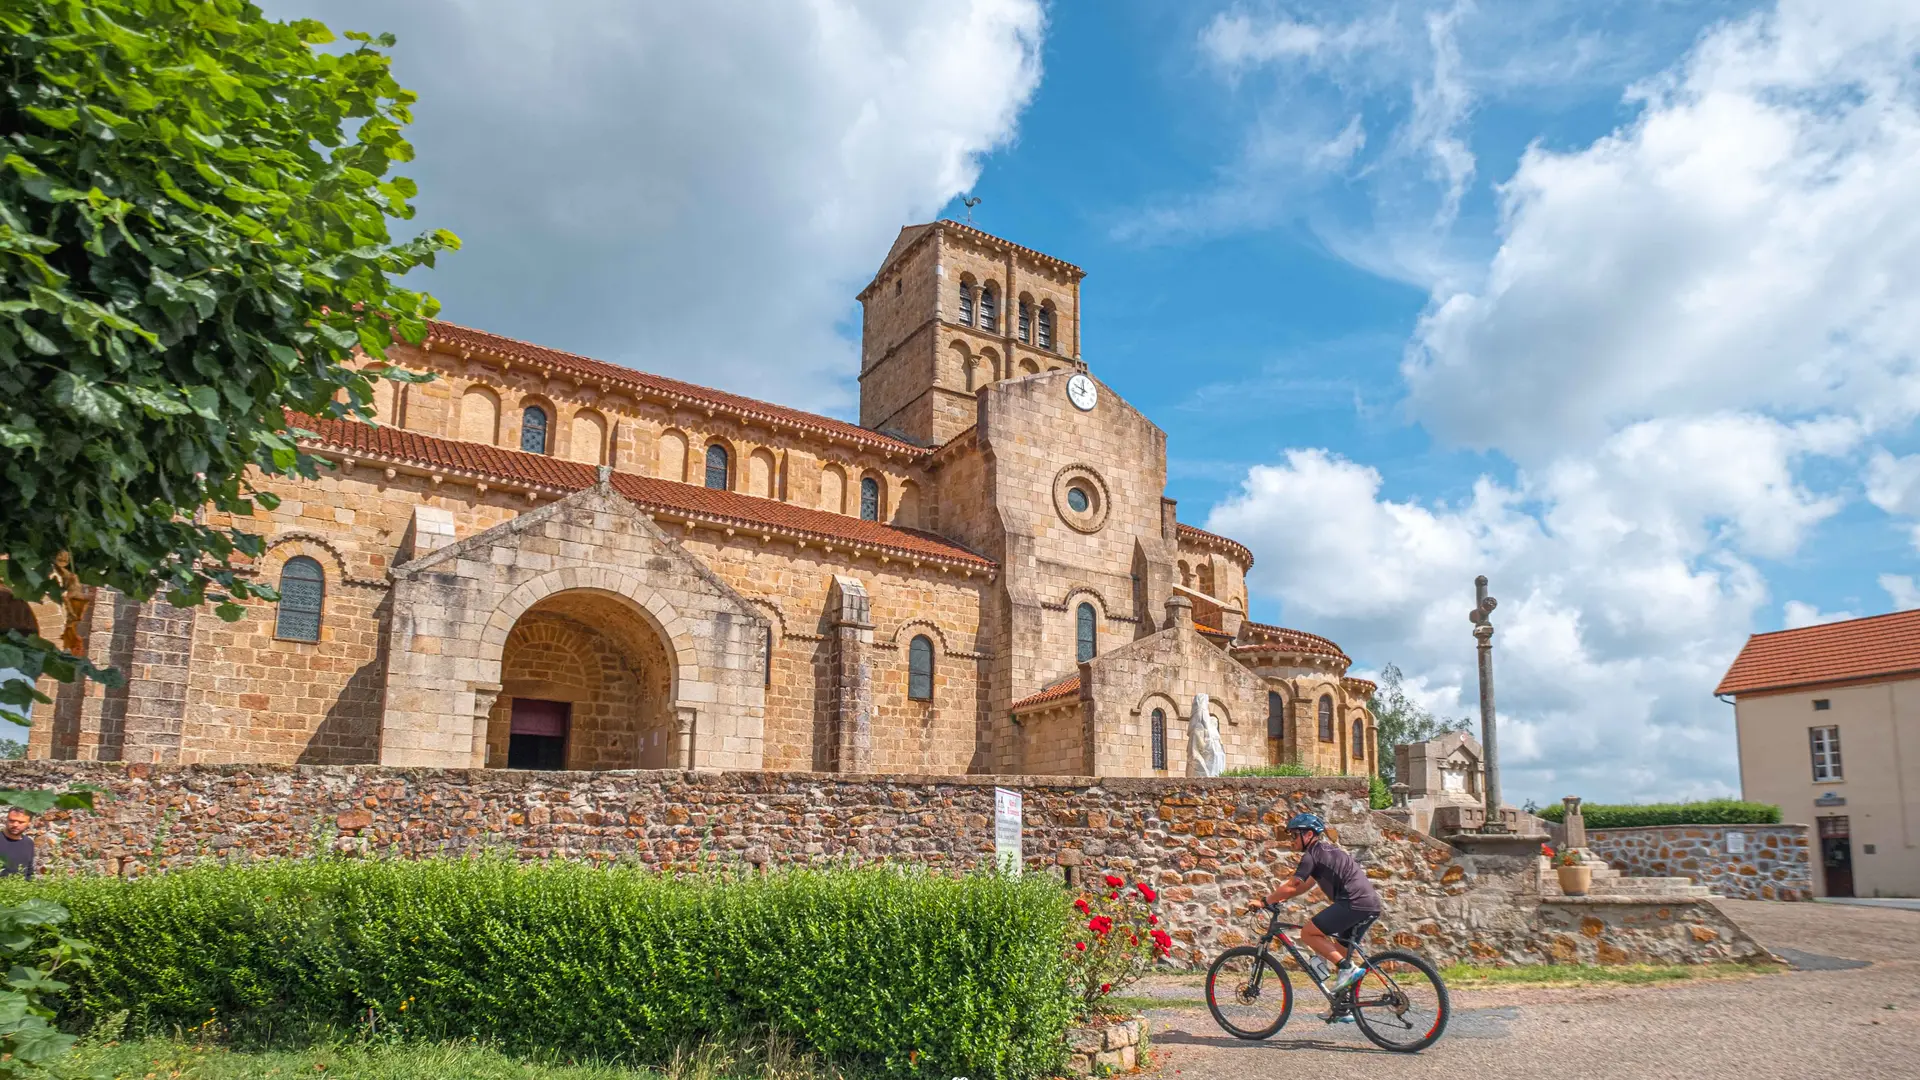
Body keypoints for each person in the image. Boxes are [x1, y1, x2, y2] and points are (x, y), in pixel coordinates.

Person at [1254, 812, 1381, 1004]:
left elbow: (1292, 885)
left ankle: (1348, 969)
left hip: (1353, 903)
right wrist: (1280, 899)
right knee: (1337, 950)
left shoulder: (1312, 856)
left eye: (1295, 835)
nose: (1292, 840)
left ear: (1309, 835)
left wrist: (1264, 901)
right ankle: (1344, 1007)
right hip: (1369, 905)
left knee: (1308, 933)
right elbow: (1304, 886)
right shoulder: (1327, 852)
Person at [0, 807, 33, 880]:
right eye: (12, 821)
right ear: (6, 820)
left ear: (29, 823)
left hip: (19, 890)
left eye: (20, 822)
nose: (15, 824)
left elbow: (29, 872)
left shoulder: (29, 843)